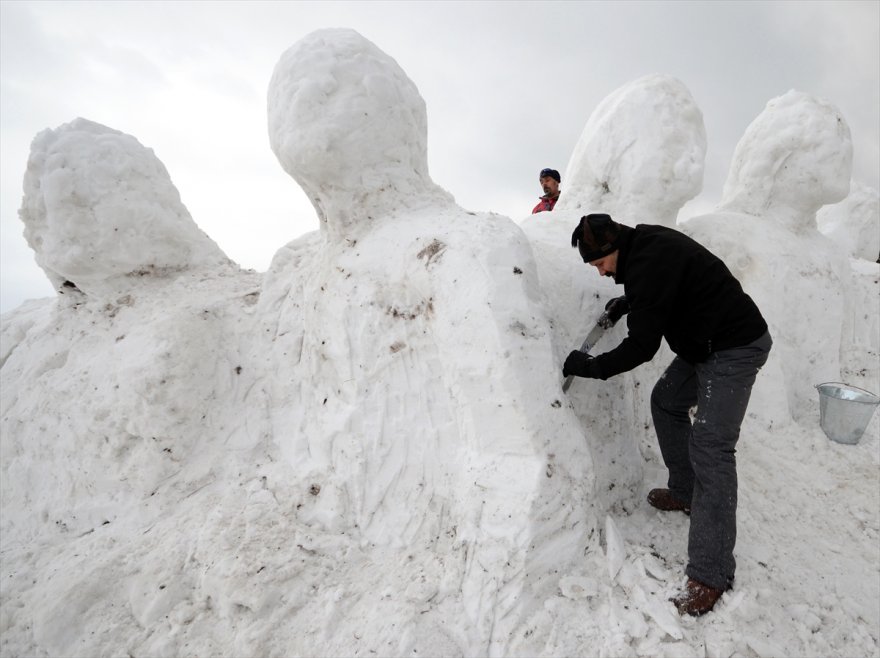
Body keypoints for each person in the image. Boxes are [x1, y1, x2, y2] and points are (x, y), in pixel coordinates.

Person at [563, 213, 772, 617]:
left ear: (613, 250)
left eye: (599, 264)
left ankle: (711, 574)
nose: (602, 273)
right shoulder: (644, 247)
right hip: (706, 343)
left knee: (711, 448)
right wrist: (630, 301)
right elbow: (664, 288)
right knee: (666, 401)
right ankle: (685, 491)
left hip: (735, 347)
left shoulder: (647, 263)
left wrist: (589, 366)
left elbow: (641, 348)